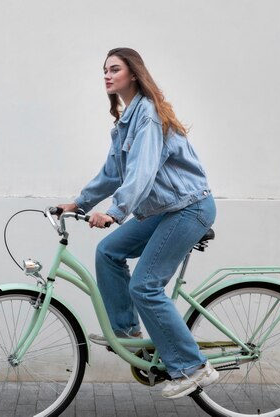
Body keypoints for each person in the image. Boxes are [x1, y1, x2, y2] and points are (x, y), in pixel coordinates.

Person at [58, 47, 219, 399]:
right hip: (167, 210)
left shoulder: (147, 115)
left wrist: (115, 212)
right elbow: (113, 173)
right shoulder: (126, 122)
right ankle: (130, 337)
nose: (107, 75)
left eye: (114, 69)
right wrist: (79, 203)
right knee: (108, 251)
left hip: (189, 208)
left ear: (133, 74)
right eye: (104, 70)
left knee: (145, 285)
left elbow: (142, 171)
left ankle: (193, 367)